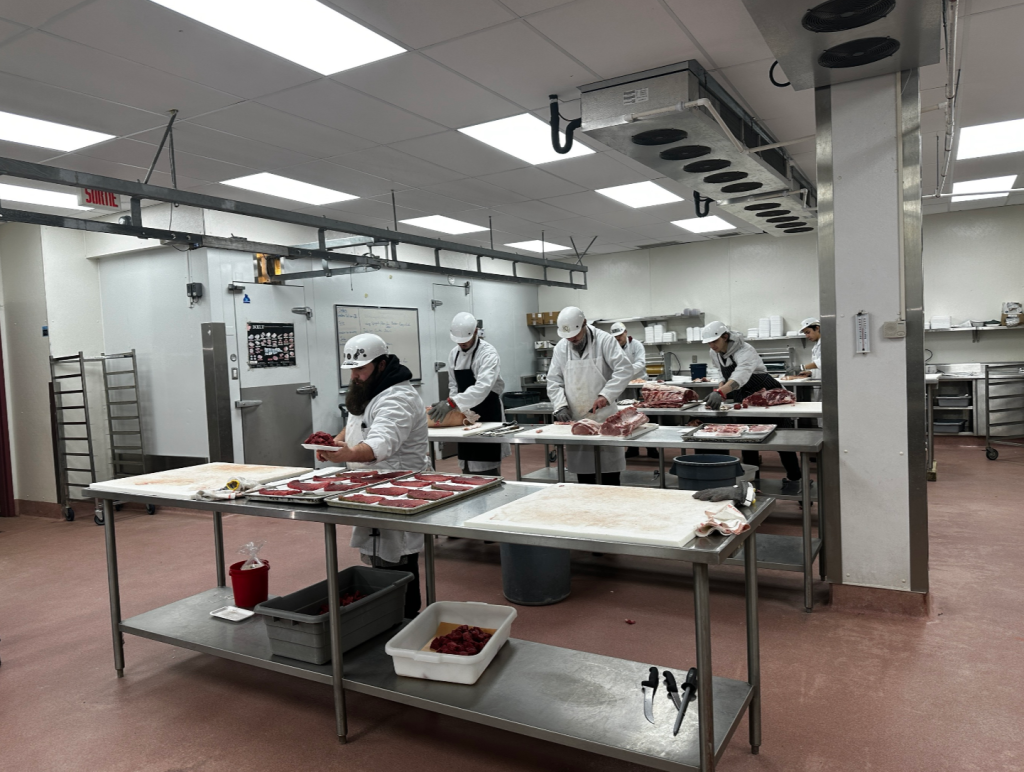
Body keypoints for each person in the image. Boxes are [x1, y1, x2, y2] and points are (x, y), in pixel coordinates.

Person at [317, 333, 429, 618]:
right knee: (379, 559)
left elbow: (381, 443)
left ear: (381, 365)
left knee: (399, 560)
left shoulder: (398, 397)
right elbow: (356, 425)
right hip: (372, 488)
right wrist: (333, 442)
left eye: (360, 369)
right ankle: (384, 617)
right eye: (352, 370)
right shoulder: (371, 388)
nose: (354, 376)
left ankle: (406, 618)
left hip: (400, 489)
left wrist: (347, 454)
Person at [700, 321, 802, 493]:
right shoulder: (714, 352)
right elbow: (721, 373)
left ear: (725, 336)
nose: (712, 345)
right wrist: (719, 389)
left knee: (782, 441)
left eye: (714, 341)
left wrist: (722, 393)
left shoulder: (745, 350)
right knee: (747, 440)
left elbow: (742, 375)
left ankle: (796, 480)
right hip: (744, 396)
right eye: (709, 342)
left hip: (768, 395)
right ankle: (752, 483)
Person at [547, 306, 633, 485]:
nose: (571, 340)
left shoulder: (605, 341)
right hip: (576, 419)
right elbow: (554, 380)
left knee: (609, 475)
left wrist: (606, 395)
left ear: (584, 324)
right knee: (584, 476)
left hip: (604, 417)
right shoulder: (561, 348)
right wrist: (560, 405)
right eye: (567, 337)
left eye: (575, 336)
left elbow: (624, 369)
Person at [428, 312, 507, 477]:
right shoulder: (454, 354)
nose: (462, 344)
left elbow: (482, 388)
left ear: (476, 332)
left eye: (465, 341)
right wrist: (454, 406)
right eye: (458, 341)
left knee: (486, 464)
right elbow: (453, 384)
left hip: (487, 412)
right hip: (465, 414)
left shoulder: (488, 353)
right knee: (467, 462)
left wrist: (453, 402)